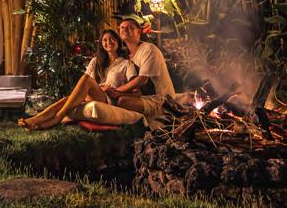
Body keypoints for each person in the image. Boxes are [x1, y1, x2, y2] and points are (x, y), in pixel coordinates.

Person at [19, 17, 175, 130]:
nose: (109, 42)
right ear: (101, 44)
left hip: (112, 98)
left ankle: (57, 118)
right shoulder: (108, 60)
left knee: (86, 80)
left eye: (112, 39)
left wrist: (115, 91)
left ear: (119, 41)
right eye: (105, 40)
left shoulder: (129, 61)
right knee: (68, 99)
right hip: (100, 93)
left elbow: (139, 85)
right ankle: (38, 120)